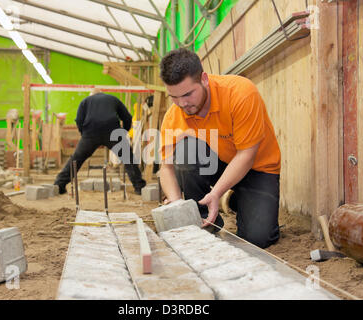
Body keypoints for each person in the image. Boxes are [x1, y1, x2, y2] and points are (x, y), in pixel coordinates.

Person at [159, 48, 281, 249]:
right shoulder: (174, 115)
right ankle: (207, 220)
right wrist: (175, 203)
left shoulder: (240, 93)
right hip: (219, 165)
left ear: (204, 79)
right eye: (174, 96)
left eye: (188, 93)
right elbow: (166, 167)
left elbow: (247, 156)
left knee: (258, 239)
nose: (182, 103)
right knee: (186, 150)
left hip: (257, 169)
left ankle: (236, 200)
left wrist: (216, 193)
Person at [54, 89, 146, 195]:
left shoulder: (85, 101)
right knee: (128, 158)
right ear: (101, 93)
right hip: (113, 131)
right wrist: (123, 132)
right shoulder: (113, 99)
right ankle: (139, 187)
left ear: (92, 95)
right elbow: (127, 117)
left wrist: (84, 134)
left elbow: (79, 120)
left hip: (90, 133)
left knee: (76, 159)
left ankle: (59, 185)